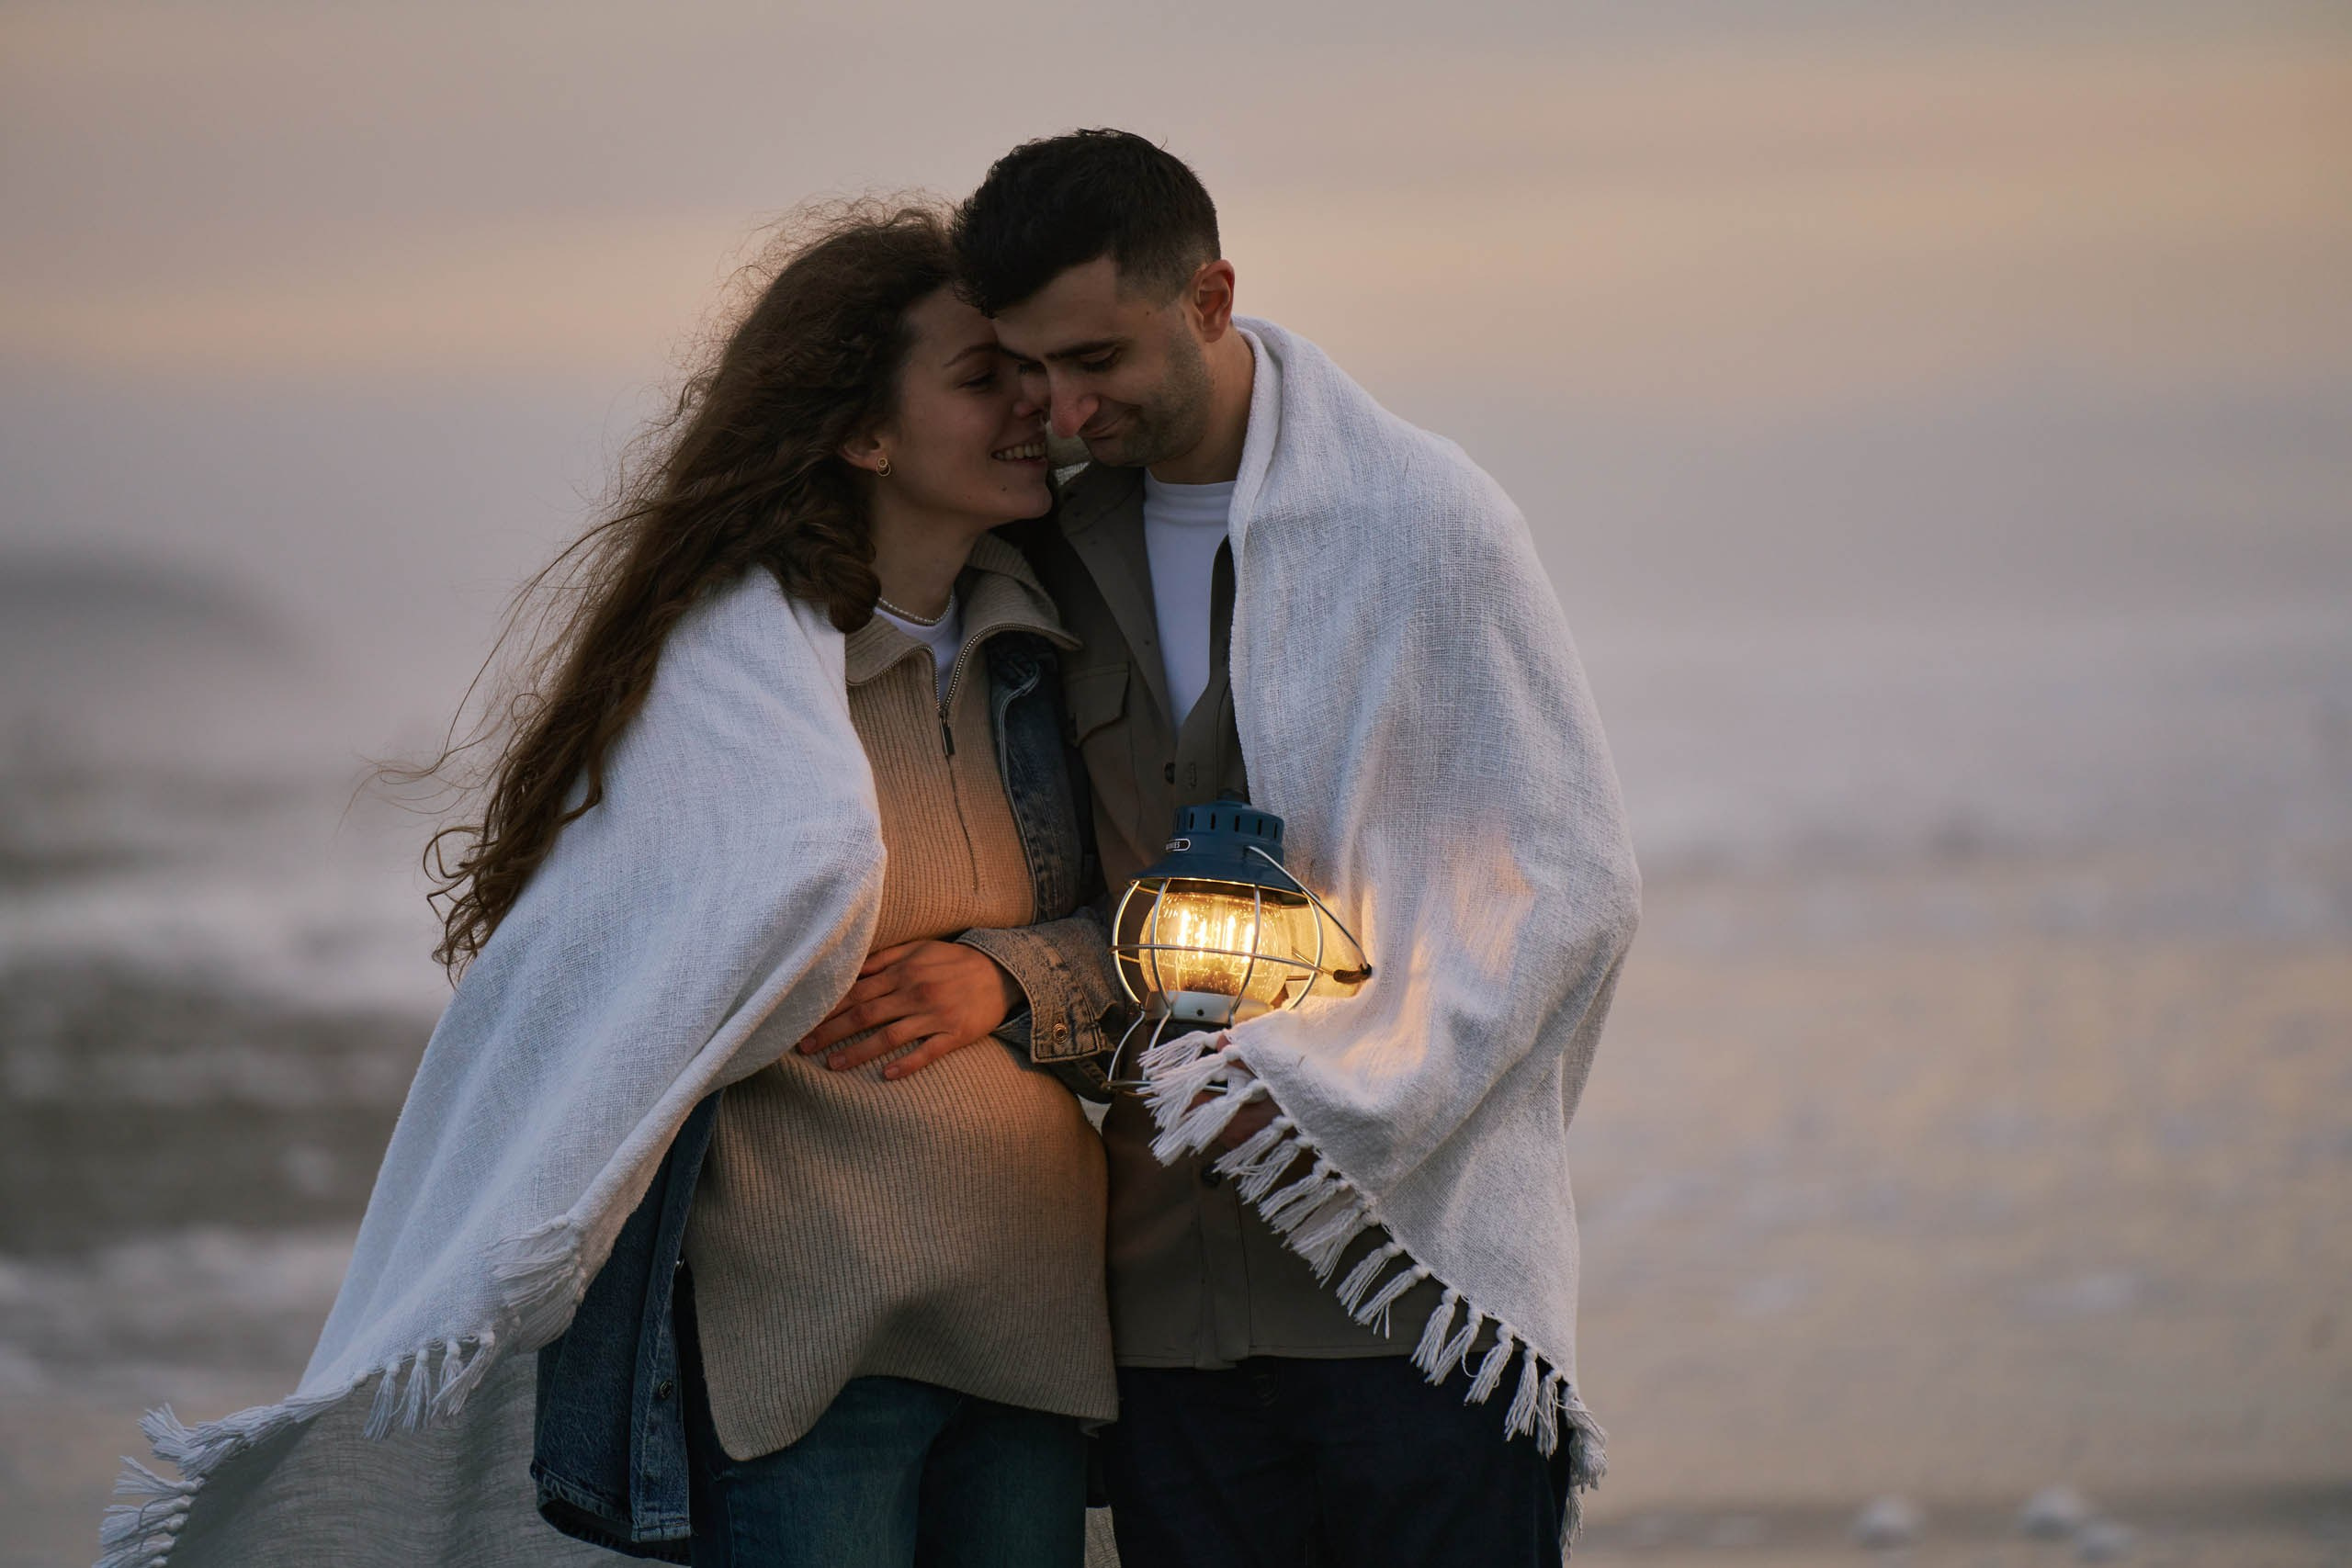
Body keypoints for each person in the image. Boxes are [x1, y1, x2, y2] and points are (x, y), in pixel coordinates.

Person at [97, 205, 1125, 1568]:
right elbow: (639, 974)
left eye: (1032, 373)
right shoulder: (732, 688)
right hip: (805, 1347)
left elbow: (1143, 923)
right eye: (984, 377)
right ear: (865, 434)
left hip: (1031, 1323)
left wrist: (1010, 974)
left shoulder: (1046, 660)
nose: (1033, 406)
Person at [955, 131, 1642, 1567]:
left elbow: (1570, 888)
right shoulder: (1040, 547)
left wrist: (1341, 1100)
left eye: (1097, 359)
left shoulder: (1428, 524)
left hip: (1411, 1293)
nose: (1065, 408)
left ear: (1210, 298)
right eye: (1032, 370)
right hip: (1160, 1307)